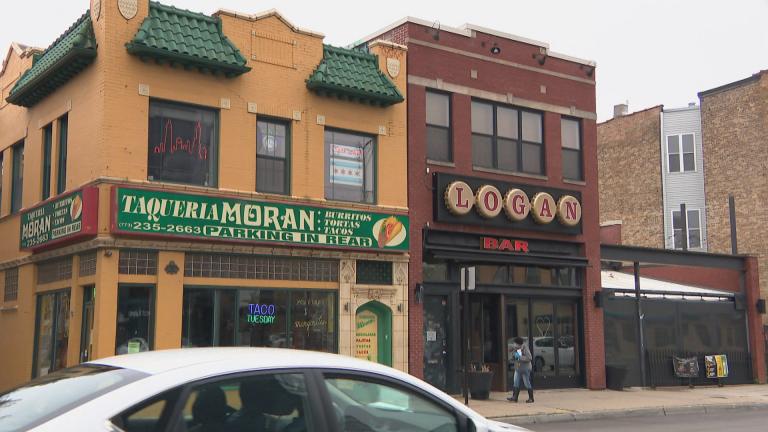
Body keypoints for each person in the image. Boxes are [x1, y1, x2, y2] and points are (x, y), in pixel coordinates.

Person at [507, 337, 534, 403]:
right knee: (516, 382)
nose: (514, 345)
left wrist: (520, 357)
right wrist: (513, 357)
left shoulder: (525, 348)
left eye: (515, 343)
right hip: (518, 368)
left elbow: (529, 358)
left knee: (526, 383)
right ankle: (514, 397)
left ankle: (531, 398)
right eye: (514, 344)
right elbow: (515, 357)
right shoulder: (515, 349)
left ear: (519, 344)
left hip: (525, 369)